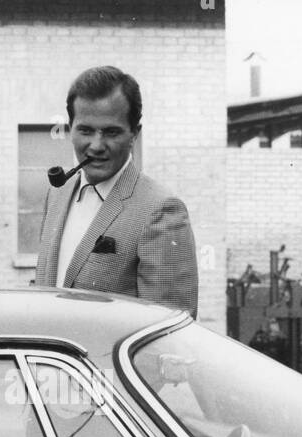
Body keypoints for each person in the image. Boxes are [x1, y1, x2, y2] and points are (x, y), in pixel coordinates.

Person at [33, 66, 198, 317]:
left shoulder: (160, 210)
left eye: (111, 132)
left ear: (134, 134)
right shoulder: (57, 194)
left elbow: (169, 335)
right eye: (85, 130)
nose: (96, 146)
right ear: (70, 129)